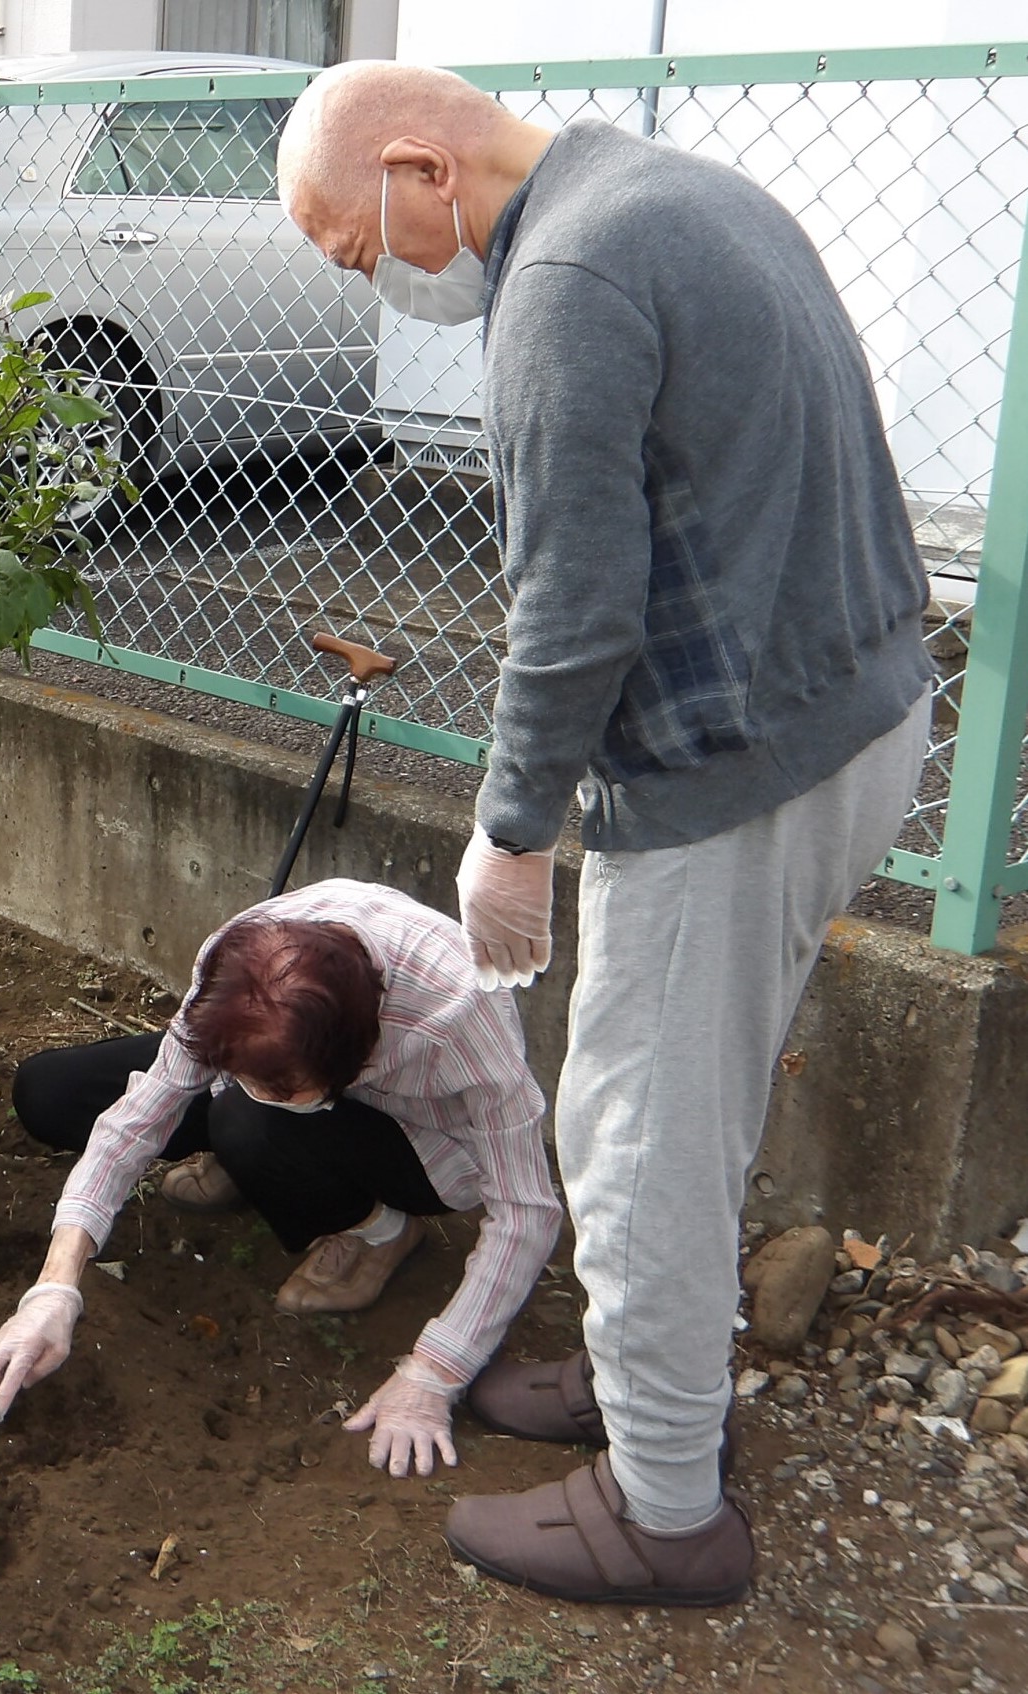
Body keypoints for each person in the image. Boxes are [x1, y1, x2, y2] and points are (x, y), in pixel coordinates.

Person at [276, 62, 933, 1606]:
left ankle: (663, 1505)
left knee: (634, 1142)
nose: (380, 284)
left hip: (733, 777)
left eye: (362, 249)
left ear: (422, 169)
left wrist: (509, 829)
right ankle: (648, 1376)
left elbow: (570, 606)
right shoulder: (679, 192)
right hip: (857, 707)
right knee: (689, 1113)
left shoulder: (563, 282)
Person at [0, 878, 562, 1480]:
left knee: (243, 1120)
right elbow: (138, 1119)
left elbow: (526, 1211)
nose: (240, 1083)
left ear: (351, 1062)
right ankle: (258, 1156)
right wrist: (54, 1289)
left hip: (419, 1140)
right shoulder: (239, 959)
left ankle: (378, 1230)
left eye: (276, 1087)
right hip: (290, 1081)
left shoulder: (461, 1014)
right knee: (52, 1093)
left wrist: (436, 1372)